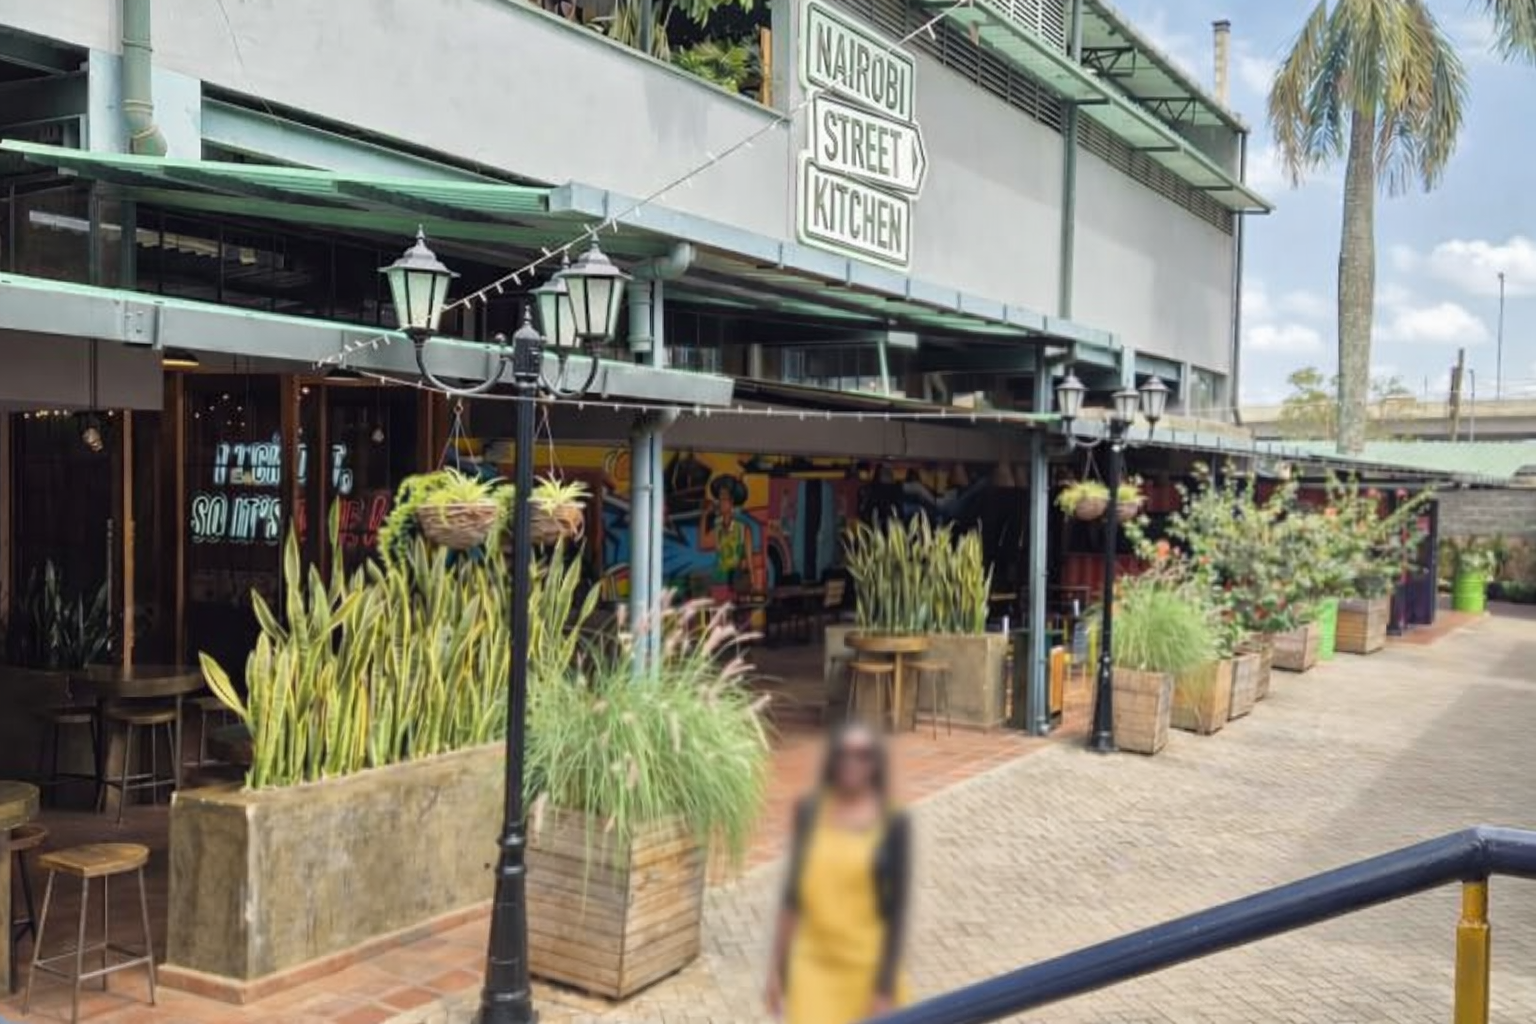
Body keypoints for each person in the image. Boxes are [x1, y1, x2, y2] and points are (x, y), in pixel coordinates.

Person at [766, 723, 912, 1023]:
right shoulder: (809, 812)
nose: (852, 763)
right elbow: (792, 897)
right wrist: (777, 970)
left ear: (875, 763)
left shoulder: (894, 823)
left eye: (862, 755)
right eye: (844, 754)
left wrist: (884, 989)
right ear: (833, 760)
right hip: (813, 968)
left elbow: (897, 911)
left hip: (867, 968)